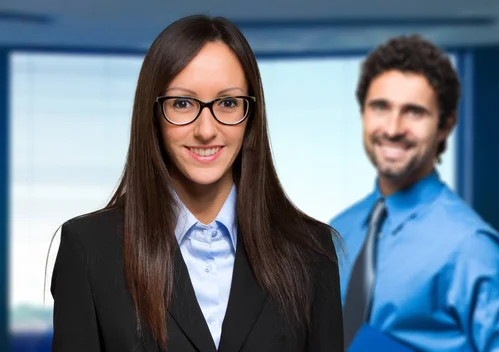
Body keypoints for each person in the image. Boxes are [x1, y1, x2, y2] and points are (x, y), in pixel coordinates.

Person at [50, 14, 343, 352]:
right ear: (154, 115)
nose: (206, 130)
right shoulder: (89, 249)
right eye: (183, 103)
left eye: (229, 103)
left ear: (251, 117)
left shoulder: (310, 251)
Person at [330, 35, 499, 351]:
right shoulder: (338, 232)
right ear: (363, 113)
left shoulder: (471, 248)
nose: (393, 128)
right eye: (380, 107)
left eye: (414, 112)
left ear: (445, 125)